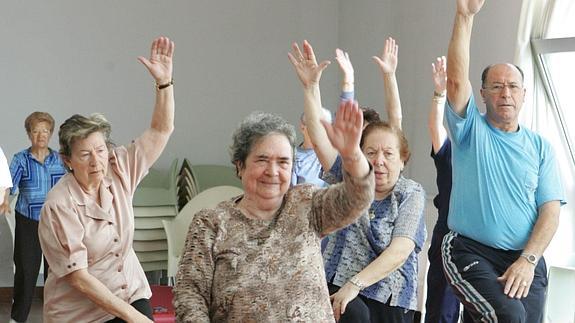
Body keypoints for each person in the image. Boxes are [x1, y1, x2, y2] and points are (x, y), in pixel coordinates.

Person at [173, 101, 375, 322]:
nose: (273, 171)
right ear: (240, 165)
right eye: (262, 160)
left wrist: (352, 154)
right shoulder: (211, 222)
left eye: (283, 162)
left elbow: (358, 198)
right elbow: (190, 297)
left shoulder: (307, 203)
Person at [441, 1, 566, 322]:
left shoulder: (541, 147)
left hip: (524, 258)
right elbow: (455, 81)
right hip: (470, 250)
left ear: (524, 93)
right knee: (508, 316)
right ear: (482, 94)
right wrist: (464, 16)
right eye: (496, 87)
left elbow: (550, 212)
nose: (505, 93)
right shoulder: (470, 129)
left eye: (512, 87)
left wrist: (528, 259)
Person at [38, 36, 175, 323]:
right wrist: (134, 319)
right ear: (67, 160)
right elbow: (79, 278)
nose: (97, 160)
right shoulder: (59, 205)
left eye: (101, 150)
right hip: (80, 312)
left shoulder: (119, 166)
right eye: (85, 154)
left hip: (130, 291)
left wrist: (164, 84)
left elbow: (161, 130)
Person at [290, 39, 426, 323]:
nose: (379, 161)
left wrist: (356, 285)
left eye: (388, 154)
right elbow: (317, 134)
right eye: (370, 153)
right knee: (351, 313)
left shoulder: (409, 192)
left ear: (403, 160)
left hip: (388, 293)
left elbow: (400, 250)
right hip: (337, 284)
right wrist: (310, 87)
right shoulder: (349, 177)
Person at [0, 112, 67, 323]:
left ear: (51, 133)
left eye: (45, 131)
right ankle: (17, 318)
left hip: (55, 222)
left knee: (55, 273)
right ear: (29, 134)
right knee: (26, 271)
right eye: (36, 131)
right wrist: (4, 202)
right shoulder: (21, 159)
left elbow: (71, 187)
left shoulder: (60, 160)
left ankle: (55, 317)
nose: (41, 135)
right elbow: (9, 186)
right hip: (28, 221)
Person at [423, 56, 462, 323]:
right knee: (441, 310)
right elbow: (435, 127)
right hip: (447, 234)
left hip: (477, 239)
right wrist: (440, 93)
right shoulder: (449, 153)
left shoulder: (486, 158)